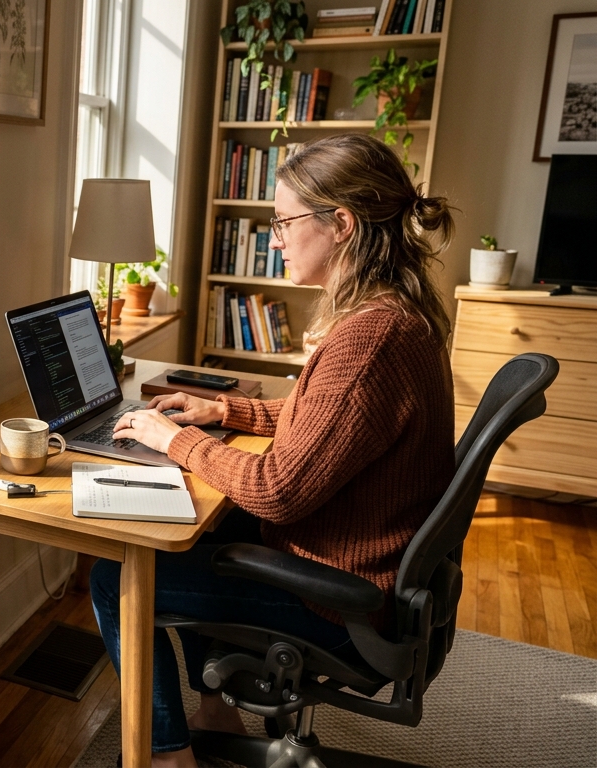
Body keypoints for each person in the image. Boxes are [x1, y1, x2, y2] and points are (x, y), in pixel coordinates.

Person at [90, 133, 456, 768]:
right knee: (198, 533)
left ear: (340, 224)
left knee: (116, 572)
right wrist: (225, 411)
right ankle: (214, 712)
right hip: (372, 571)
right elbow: (332, 419)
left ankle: (166, 756)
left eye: (284, 221)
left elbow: (278, 492)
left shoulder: (369, 338)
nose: (275, 238)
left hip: (347, 601)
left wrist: (177, 440)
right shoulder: (394, 313)